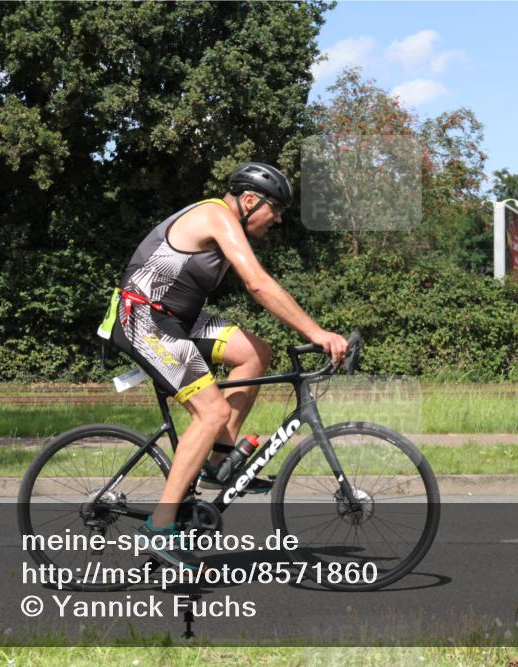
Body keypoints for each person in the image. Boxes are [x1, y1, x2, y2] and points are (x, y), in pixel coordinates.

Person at [105, 162, 348, 570]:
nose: (280, 218)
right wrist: (317, 332)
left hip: (176, 318)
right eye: (277, 208)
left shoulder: (224, 219)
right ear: (251, 201)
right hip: (143, 318)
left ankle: (218, 463)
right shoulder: (216, 215)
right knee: (212, 410)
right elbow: (258, 283)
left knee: (255, 353)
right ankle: (160, 525)